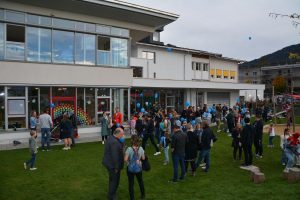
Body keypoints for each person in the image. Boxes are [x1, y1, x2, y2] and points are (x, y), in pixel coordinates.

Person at [102, 128, 125, 200]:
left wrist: (122, 144)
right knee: (115, 181)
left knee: (112, 179)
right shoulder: (114, 142)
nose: (122, 136)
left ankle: (111, 193)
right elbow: (115, 156)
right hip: (113, 165)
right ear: (117, 134)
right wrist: (116, 168)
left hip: (109, 163)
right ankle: (111, 195)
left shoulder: (111, 137)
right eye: (122, 134)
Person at [124, 135, 145, 200]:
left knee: (131, 184)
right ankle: (143, 195)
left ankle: (132, 198)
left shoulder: (129, 149)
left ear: (131, 141)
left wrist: (128, 162)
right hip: (138, 168)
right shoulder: (141, 148)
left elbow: (125, 159)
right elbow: (143, 158)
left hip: (130, 168)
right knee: (140, 181)